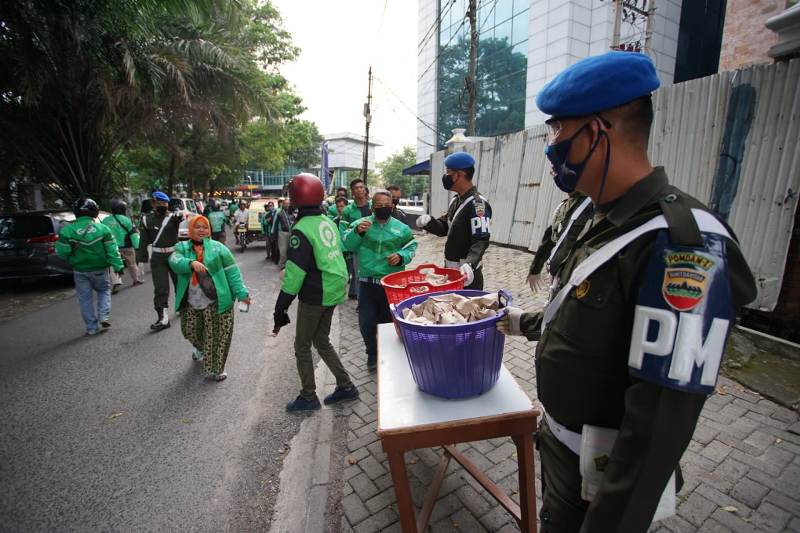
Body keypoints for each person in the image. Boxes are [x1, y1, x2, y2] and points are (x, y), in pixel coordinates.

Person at [496, 51, 757, 533]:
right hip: (561, 453)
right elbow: (586, 325)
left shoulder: (683, 245)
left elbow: (657, 430)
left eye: (558, 133)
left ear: (596, 133)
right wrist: (514, 322)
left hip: (601, 485)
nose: (552, 147)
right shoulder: (598, 218)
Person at [272, 173, 359, 411]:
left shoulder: (301, 230)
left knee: (302, 346)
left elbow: (294, 275)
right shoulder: (327, 221)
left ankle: (308, 396)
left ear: (296, 197)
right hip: (334, 290)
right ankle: (346, 386)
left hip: (316, 294)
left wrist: (280, 307)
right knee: (321, 340)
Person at [343, 189, 417, 370]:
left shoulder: (402, 228)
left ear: (392, 206)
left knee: (388, 323)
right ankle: (372, 355)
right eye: (378, 205)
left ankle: (387, 355)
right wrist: (357, 233)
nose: (383, 208)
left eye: (386, 205)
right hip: (367, 283)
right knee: (366, 323)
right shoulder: (361, 224)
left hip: (391, 285)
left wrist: (401, 256)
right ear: (372, 206)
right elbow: (347, 244)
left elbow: (411, 246)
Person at [169, 216, 250, 381]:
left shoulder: (219, 248)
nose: (201, 230)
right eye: (197, 227)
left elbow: (233, 273)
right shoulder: (182, 248)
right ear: (191, 229)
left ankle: (216, 369)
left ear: (209, 230)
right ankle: (201, 348)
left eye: (204, 227)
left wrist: (242, 294)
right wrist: (190, 263)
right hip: (191, 301)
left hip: (216, 300)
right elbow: (174, 261)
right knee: (189, 331)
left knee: (216, 336)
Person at [415, 152, 492, 290]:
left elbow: (481, 240)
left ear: (460, 174)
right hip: (450, 272)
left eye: (449, 172)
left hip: (467, 276)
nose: (446, 176)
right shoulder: (456, 200)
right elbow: (445, 228)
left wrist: (470, 263)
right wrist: (429, 223)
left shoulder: (477, 205)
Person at [56, 198, 124, 335]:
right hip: (99, 269)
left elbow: (62, 252)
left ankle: (91, 328)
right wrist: (118, 266)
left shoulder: (67, 231)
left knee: (84, 299)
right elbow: (112, 250)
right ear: (94, 212)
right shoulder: (103, 229)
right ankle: (103, 317)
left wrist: (73, 259)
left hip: (80, 270)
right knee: (104, 291)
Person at [527, 192, 593, 293]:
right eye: (553, 175)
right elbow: (552, 236)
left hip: (577, 278)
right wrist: (536, 268)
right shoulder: (565, 205)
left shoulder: (592, 206)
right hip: (558, 276)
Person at [136, 191, 182, 331]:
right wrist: (141, 259)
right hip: (157, 258)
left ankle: (183, 307)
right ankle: (163, 318)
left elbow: (180, 218)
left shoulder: (173, 217)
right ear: (153, 203)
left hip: (174, 255)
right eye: (160, 203)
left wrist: (179, 215)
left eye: (165, 203)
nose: (163, 205)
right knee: (161, 287)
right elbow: (143, 240)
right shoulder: (146, 220)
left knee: (180, 283)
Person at [102, 200, 144, 293]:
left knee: (113, 265)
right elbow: (133, 234)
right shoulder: (127, 220)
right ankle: (135, 279)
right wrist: (137, 246)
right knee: (131, 263)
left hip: (111, 247)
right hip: (126, 246)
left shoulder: (105, 220)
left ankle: (116, 282)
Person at [332, 196, 358, 299]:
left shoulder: (352, 221)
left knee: (354, 272)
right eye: (338, 206)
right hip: (338, 251)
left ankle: (353, 292)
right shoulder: (334, 220)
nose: (339, 208)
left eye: (342, 206)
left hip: (349, 250)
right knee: (340, 273)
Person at [272, 198, 292, 268]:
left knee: (289, 250)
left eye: (288, 204)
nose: (287, 205)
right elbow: (275, 223)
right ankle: (282, 265)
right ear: (283, 204)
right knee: (283, 250)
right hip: (282, 233)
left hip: (290, 232)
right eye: (286, 204)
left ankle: (288, 265)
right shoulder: (279, 212)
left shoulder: (290, 212)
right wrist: (273, 232)